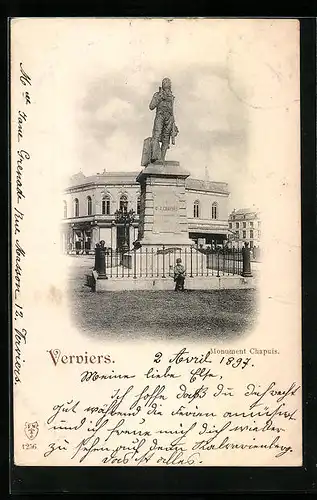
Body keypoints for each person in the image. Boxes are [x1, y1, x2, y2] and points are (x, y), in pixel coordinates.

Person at [149, 77, 179, 162]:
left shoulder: (171, 97)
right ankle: (154, 158)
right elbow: (151, 106)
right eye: (165, 82)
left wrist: (173, 124)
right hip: (160, 116)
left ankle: (162, 159)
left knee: (166, 139)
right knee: (156, 135)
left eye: (168, 82)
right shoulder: (157, 94)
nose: (167, 83)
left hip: (169, 118)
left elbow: (172, 110)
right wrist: (159, 97)